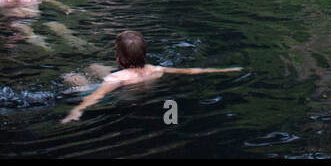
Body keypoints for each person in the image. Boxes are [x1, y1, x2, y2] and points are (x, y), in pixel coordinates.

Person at [61, 30, 242, 122]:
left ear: (117, 58)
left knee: (71, 77)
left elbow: (97, 96)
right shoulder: (156, 69)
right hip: (138, 90)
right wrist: (225, 70)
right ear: (145, 55)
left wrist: (77, 110)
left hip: (117, 99)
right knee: (95, 67)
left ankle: (71, 80)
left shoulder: (115, 79)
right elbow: (192, 71)